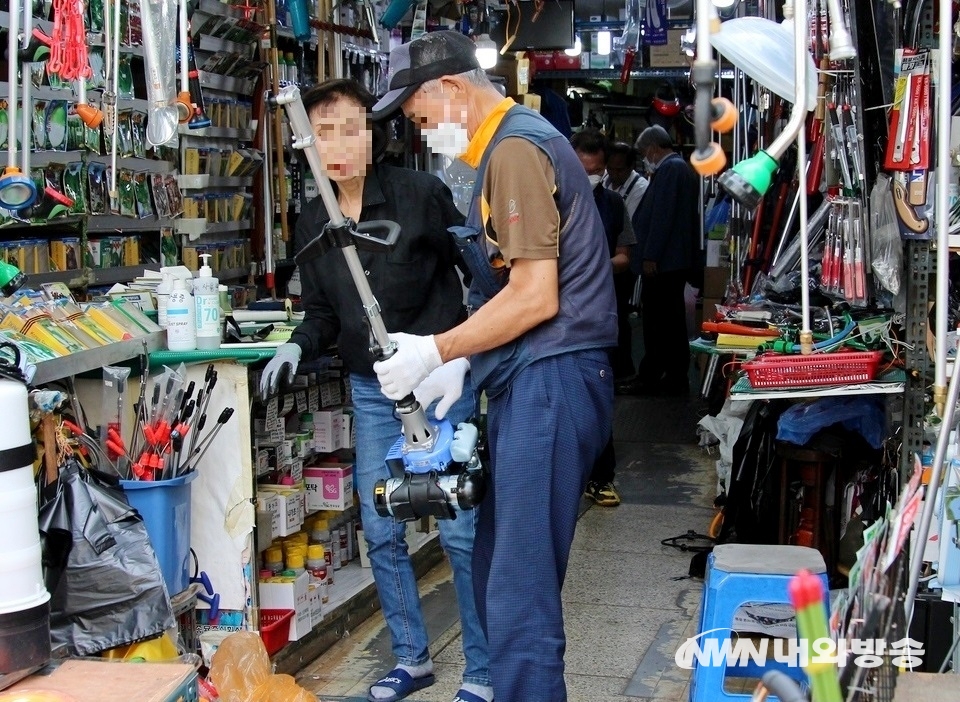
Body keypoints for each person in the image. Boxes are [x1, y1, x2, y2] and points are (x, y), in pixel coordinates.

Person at [370, 30, 617, 702]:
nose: (425, 138)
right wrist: (467, 358)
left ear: (450, 90)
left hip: (553, 380)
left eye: (422, 120)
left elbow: (538, 295)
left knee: (518, 591)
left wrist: (436, 350)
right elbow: (508, 291)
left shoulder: (514, 149)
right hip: (528, 380)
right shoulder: (502, 155)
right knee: (493, 572)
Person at [258, 79, 492, 702]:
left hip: (439, 383)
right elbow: (323, 315)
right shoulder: (312, 218)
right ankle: (412, 659)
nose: (338, 145)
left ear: (374, 133)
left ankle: (483, 670)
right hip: (371, 390)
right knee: (382, 528)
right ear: (305, 143)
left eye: (351, 128)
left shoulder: (421, 195)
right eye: (323, 132)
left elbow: (482, 278)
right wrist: (297, 345)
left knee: (457, 528)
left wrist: (461, 355)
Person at [570, 128, 635, 508]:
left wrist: (596, 265)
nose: (590, 177)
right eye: (583, 169)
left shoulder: (612, 203)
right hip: (558, 317)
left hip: (601, 315)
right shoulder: (552, 199)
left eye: (596, 171)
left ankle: (601, 477)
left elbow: (626, 255)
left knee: (598, 397)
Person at [617, 124, 700, 396]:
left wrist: (651, 254)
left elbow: (662, 217)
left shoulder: (671, 170)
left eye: (644, 152)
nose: (644, 158)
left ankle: (657, 375)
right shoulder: (677, 169)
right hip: (671, 260)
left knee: (660, 321)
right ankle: (668, 374)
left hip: (665, 262)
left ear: (653, 148)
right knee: (668, 320)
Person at [601, 141, 647, 220]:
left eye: (619, 170)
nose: (614, 174)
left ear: (631, 166)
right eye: (610, 169)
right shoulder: (603, 179)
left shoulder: (641, 188)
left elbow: (628, 223)